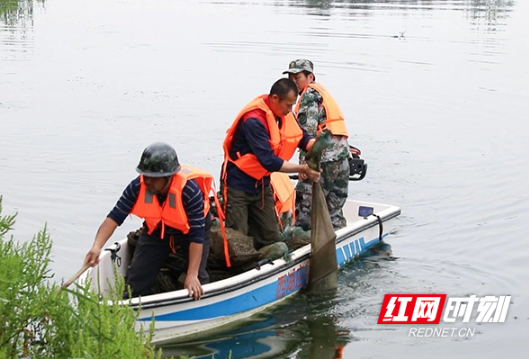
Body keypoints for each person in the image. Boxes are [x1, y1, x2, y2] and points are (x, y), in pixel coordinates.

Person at [84, 142, 224, 300]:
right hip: (157, 231)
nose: (148, 181)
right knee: (136, 278)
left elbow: (197, 237)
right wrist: (96, 246)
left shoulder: (189, 191)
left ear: (168, 177)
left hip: (189, 233)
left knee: (197, 277)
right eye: (145, 175)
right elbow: (115, 216)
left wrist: (192, 275)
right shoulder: (138, 186)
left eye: (153, 177)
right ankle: (133, 310)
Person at [221, 78, 321, 249]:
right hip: (238, 185)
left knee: (271, 237)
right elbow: (268, 161)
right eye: (288, 105)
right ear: (274, 98)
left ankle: (266, 260)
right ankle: (242, 269)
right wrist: (302, 168)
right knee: (238, 240)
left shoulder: (284, 114)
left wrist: (315, 144)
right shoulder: (254, 121)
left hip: (261, 185)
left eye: (292, 105)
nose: (290, 110)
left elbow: (301, 137)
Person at [283, 59, 350, 230]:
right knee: (334, 209)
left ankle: (303, 245)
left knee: (305, 208)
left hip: (323, 161)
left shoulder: (308, 96)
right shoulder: (322, 92)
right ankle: (337, 241)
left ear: (309, 76)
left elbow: (307, 134)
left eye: (297, 77)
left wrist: (304, 165)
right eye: (290, 78)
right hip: (342, 158)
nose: (293, 82)